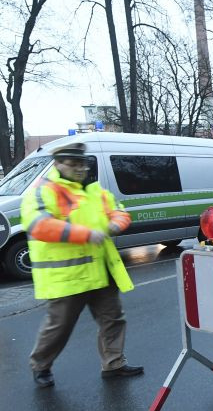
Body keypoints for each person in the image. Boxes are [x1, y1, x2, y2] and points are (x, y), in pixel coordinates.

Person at [22, 143, 143, 388]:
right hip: (68, 275)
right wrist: (85, 234)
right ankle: (40, 365)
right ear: (57, 164)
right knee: (59, 327)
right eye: (73, 164)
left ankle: (114, 363)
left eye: (82, 164)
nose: (80, 169)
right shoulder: (43, 191)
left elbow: (120, 213)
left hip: (100, 270)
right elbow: (39, 226)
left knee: (113, 319)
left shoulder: (95, 190)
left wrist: (114, 225)